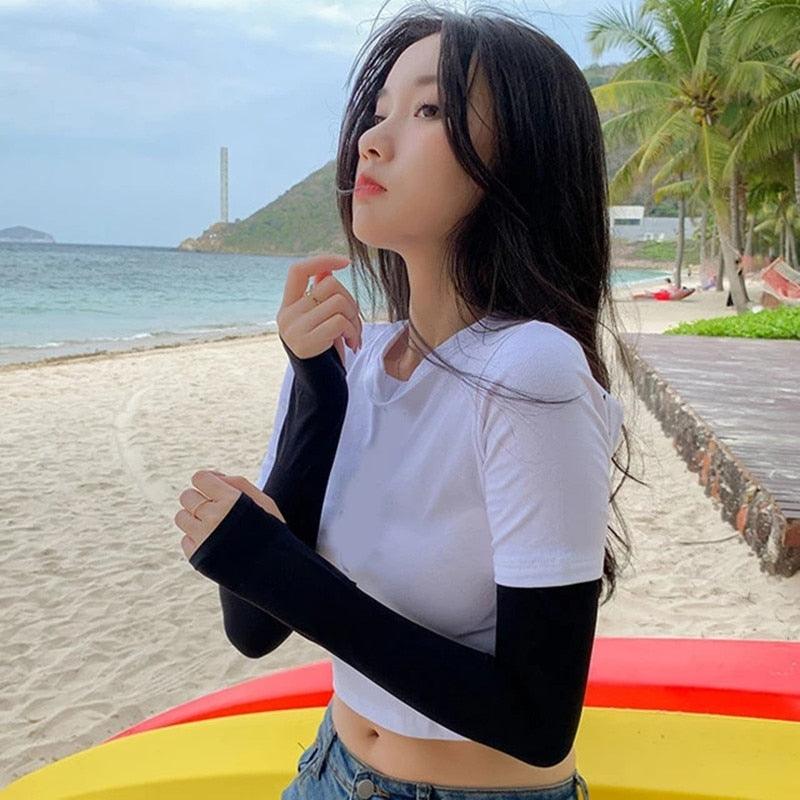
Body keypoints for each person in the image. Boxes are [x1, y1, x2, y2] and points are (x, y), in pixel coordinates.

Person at [175, 4, 635, 798]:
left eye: (429, 110)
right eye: (379, 109)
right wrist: (317, 394)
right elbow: (255, 628)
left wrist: (273, 565)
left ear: (520, 159)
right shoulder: (346, 360)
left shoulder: (531, 370)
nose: (372, 139)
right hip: (329, 768)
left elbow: (538, 718)